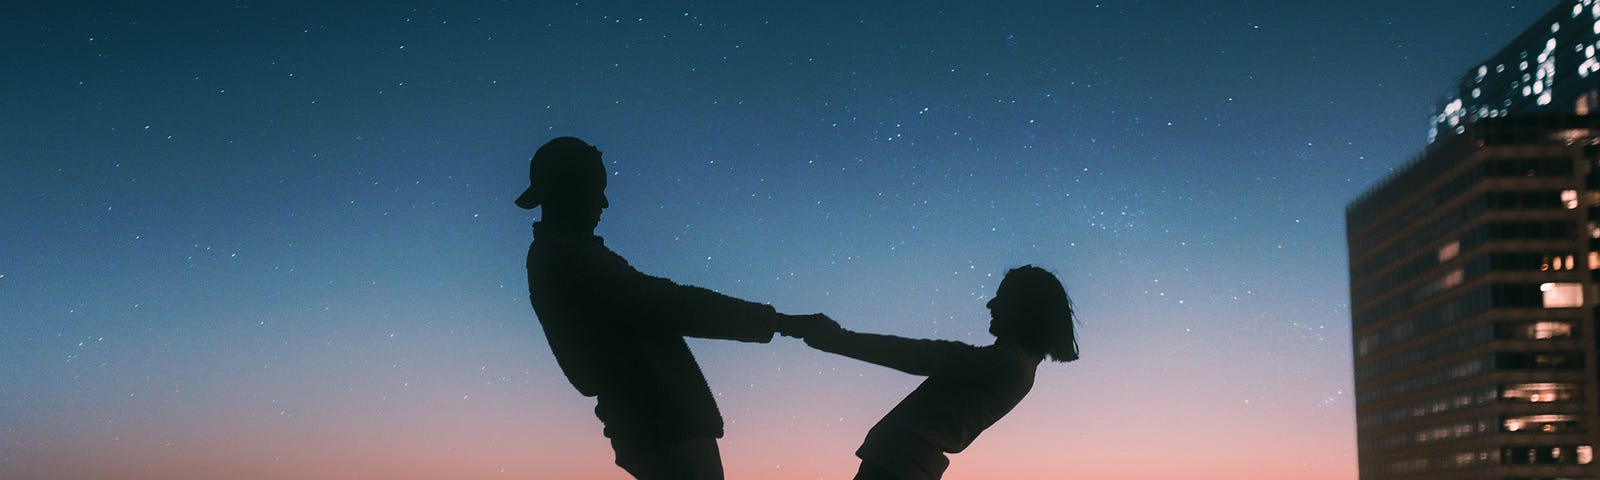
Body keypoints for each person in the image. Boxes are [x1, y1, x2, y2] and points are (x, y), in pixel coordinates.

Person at [516, 136, 820, 480]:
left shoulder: (566, 256)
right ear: (567, 188)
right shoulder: (569, 258)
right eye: (595, 189)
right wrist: (779, 322)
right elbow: (670, 303)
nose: (604, 203)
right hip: (660, 427)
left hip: (653, 428)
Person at [793, 265, 1079, 480]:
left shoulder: (1008, 365)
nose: (991, 304)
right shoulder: (1012, 364)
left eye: (1002, 297)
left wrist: (836, 339)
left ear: (1026, 309)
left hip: (898, 470)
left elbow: (920, 355)